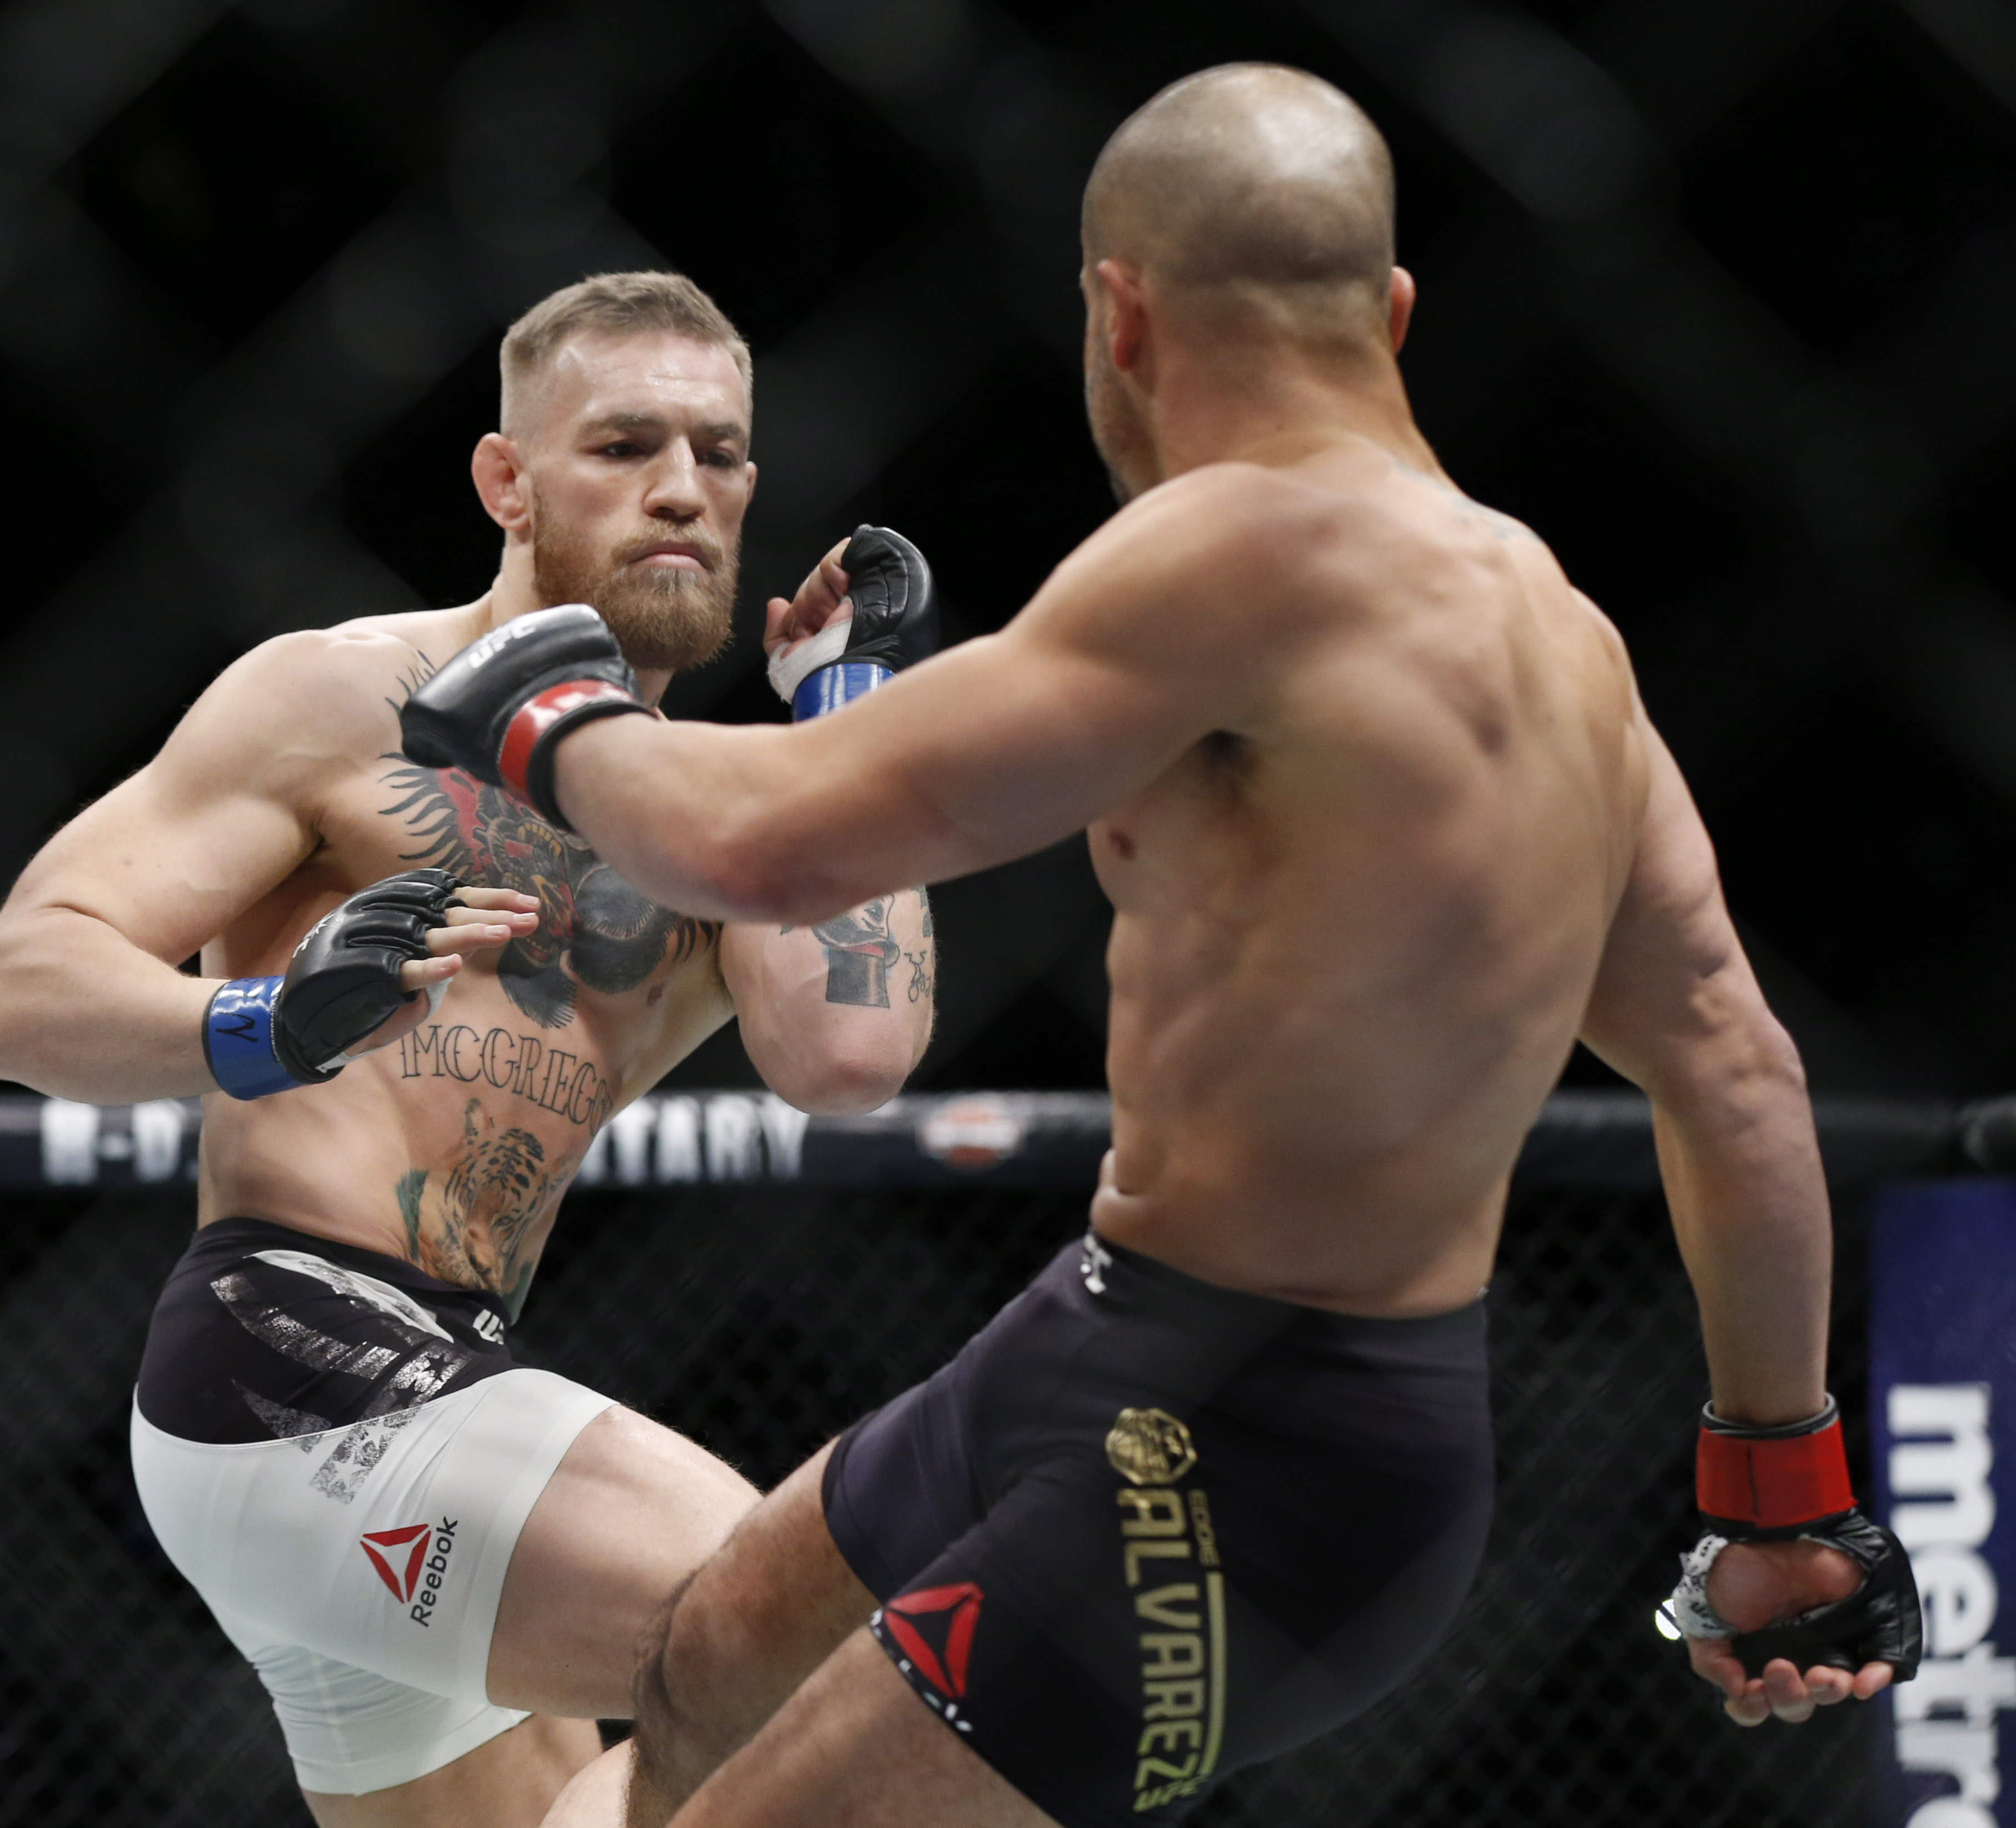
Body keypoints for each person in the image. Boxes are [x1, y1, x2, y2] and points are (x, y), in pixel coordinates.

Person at [398, 67, 1921, 1828]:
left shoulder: (1230, 552)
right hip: (1108, 1340)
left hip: (1262, 1456)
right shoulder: (1566, 643)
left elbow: (760, 840)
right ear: (1397, 314)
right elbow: (1732, 1066)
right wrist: (1779, 1496)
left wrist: (533, 702)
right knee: (706, 1661)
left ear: (1117, 311)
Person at [0, 271, 937, 1828]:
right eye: (621, 445)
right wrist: (261, 1026)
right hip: (287, 1347)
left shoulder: (722, 815)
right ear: (505, 480)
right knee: (816, 1650)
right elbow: (6, 995)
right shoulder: (342, 700)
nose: (681, 486)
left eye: (719, 452)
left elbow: (851, 1051)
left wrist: (847, 720)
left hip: (448, 1389)